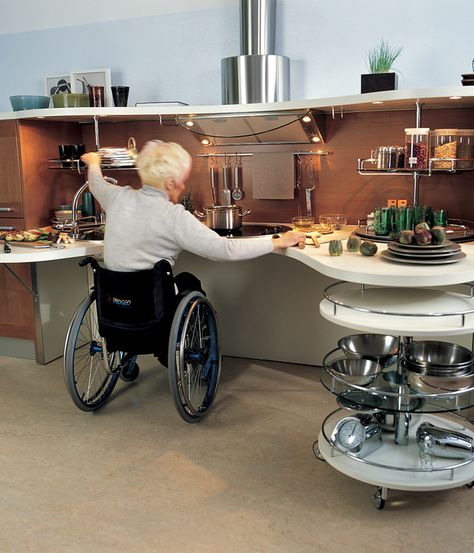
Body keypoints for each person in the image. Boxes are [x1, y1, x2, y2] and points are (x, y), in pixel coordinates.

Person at [81, 140, 306, 274]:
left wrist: (93, 162)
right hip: (151, 308)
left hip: (113, 307)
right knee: (190, 283)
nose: (183, 185)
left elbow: (96, 183)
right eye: (182, 180)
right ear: (170, 182)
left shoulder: (117, 197)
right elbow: (225, 250)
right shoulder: (174, 216)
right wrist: (278, 241)